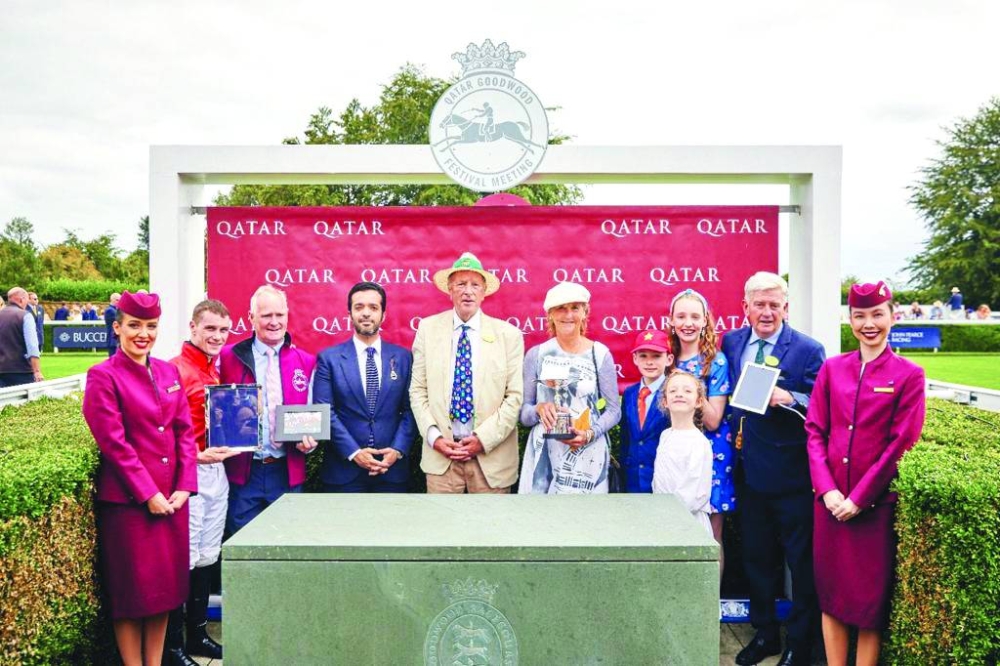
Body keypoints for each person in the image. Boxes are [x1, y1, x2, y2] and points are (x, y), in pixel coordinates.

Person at [806, 281, 926, 666]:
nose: (868, 323)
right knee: (832, 596)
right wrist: (827, 491)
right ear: (850, 320)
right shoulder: (832, 368)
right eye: (860, 316)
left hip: (873, 509)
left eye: (877, 314)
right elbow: (815, 432)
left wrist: (859, 498)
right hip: (830, 506)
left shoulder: (909, 375)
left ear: (893, 316)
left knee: (869, 603)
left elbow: (900, 443)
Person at [81, 291, 198, 666]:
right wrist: (148, 493)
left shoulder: (168, 371)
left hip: (172, 503)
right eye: (134, 326)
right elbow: (114, 444)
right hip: (130, 507)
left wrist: (184, 486)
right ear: (117, 328)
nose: (142, 334)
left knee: (164, 593)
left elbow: (185, 433)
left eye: (150, 326)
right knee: (131, 598)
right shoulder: (103, 376)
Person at [721, 272, 825, 666]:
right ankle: (765, 634)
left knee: (800, 562)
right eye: (759, 304)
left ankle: (800, 642)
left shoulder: (807, 349)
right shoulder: (733, 342)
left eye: (774, 304)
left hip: (792, 474)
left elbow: (822, 400)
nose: (767, 312)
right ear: (745, 306)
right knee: (757, 557)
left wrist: (791, 395)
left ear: (786, 307)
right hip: (748, 472)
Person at [410, 252, 524, 494]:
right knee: (443, 530)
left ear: (484, 292)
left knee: (490, 531)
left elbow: (514, 397)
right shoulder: (428, 329)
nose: (468, 291)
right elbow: (418, 390)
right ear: (450, 290)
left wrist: (483, 439)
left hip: (491, 462)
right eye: (461, 284)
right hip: (442, 460)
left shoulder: (508, 335)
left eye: (475, 285)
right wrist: (434, 437)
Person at [166, 300, 238, 665]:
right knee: (186, 559)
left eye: (223, 331)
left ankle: (197, 636)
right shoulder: (173, 370)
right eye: (210, 329)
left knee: (208, 556)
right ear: (193, 328)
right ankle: (173, 648)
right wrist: (194, 455)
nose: (217, 336)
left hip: (217, 471)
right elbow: (161, 432)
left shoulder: (214, 369)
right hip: (187, 474)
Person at [219, 285, 318, 534]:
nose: (274, 322)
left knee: (286, 545)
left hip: (286, 470)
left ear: (287, 315)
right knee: (240, 545)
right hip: (243, 473)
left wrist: (311, 440)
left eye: (279, 315)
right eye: (266, 316)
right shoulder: (227, 357)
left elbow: (313, 413)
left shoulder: (306, 362)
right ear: (251, 318)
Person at [313, 281, 416, 493]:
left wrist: (397, 450)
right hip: (344, 471)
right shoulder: (329, 359)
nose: (366, 313)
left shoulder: (404, 358)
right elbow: (325, 412)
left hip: (392, 471)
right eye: (359, 307)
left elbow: (411, 410)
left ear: (383, 315)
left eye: (373, 307)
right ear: (349, 314)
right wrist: (354, 452)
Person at [519, 281, 622, 494]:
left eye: (575, 307)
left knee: (587, 522)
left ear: (585, 312)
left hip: (589, 451)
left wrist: (590, 433)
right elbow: (524, 415)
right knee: (543, 524)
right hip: (545, 454)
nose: (568, 315)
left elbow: (614, 410)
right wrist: (538, 409)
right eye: (561, 308)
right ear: (550, 314)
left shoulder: (599, 354)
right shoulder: (536, 355)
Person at [668, 288, 735, 572]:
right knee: (672, 531)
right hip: (674, 452)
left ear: (706, 321)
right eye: (681, 316)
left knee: (711, 535)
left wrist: (689, 385)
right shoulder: (665, 358)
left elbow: (713, 420)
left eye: (695, 316)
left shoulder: (715, 361)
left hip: (711, 455)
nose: (688, 322)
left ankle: (711, 609)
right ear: (670, 320)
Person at [652, 371, 713, 537]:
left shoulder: (698, 443)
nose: (679, 394)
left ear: (699, 401)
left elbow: (691, 495)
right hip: (664, 520)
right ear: (665, 401)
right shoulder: (665, 436)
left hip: (689, 523)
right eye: (673, 391)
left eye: (687, 391)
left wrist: (670, 516)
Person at [620, 329, 673, 493]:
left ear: (669, 359)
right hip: (632, 480)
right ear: (635, 359)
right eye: (643, 356)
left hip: (663, 480)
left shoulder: (672, 391)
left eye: (656, 356)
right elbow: (626, 438)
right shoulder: (629, 393)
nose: (649, 362)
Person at [0, 287, 43, 387]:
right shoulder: (25, 316)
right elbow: (32, 346)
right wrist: (37, 371)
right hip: (21, 371)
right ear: (21, 299)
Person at [106, 293, 121, 358]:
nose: (119, 302)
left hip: (116, 339)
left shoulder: (115, 310)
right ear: (112, 300)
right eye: (118, 300)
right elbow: (121, 319)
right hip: (113, 340)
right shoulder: (110, 310)